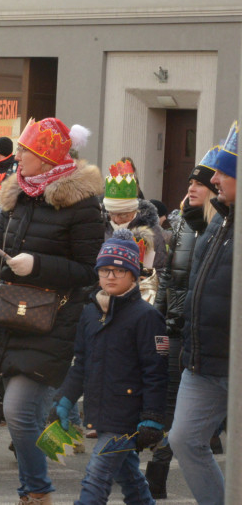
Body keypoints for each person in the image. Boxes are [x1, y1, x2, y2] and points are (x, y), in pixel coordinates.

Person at [0, 117, 104, 505]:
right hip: (11, 318)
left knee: (18, 411)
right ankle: (46, 478)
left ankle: (37, 491)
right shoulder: (18, 194)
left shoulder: (82, 204)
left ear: (47, 159)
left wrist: (36, 264)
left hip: (54, 322)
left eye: (24, 151)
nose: (16, 156)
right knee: (27, 414)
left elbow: (90, 271)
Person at [52, 230, 168, 505]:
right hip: (101, 413)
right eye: (105, 270)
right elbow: (81, 362)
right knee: (129, 477)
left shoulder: (148, 316)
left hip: (127, 417)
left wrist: (152, 417)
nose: (111, 276)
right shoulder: (91, 312)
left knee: (97, 475)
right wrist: (64, 399)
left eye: (119, 270)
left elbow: (156, 371)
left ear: (133, 274)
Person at [168, 122, 236, 505]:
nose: (217, 178)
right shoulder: (219, 223)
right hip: (205, 359)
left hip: (235, 361)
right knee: (184, 440)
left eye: (226, 172)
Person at [145, 145, 219, 498]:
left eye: (201, 182)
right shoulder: (181, 221)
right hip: (175, 327)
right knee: (169, 401)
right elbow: (169, 277)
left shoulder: (220, 227)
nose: (192, 187)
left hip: (205, 337)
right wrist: (158, 318)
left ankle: (156, 470)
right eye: (191, 180)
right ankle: (154, 470)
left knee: (178, 410)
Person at [102, 160, 167, 303]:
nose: (117, 219)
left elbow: (160, 271)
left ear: (134, 210)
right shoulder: (99, 228)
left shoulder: (152, 231)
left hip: (138, 300)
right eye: (113, 214)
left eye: (123, 214)